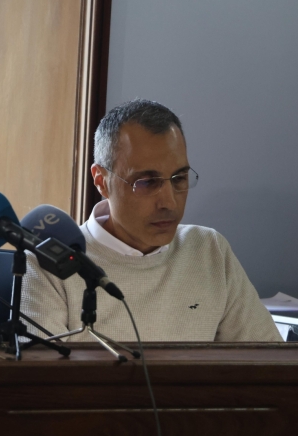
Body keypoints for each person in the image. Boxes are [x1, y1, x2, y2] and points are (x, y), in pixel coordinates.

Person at [21, 99, 282, 342]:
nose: (169, 203)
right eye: (146, 182)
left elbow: (269, 361)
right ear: (101, 181)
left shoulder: (209, 249)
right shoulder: (49, 262)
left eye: (179, 179)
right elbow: (42, 373)